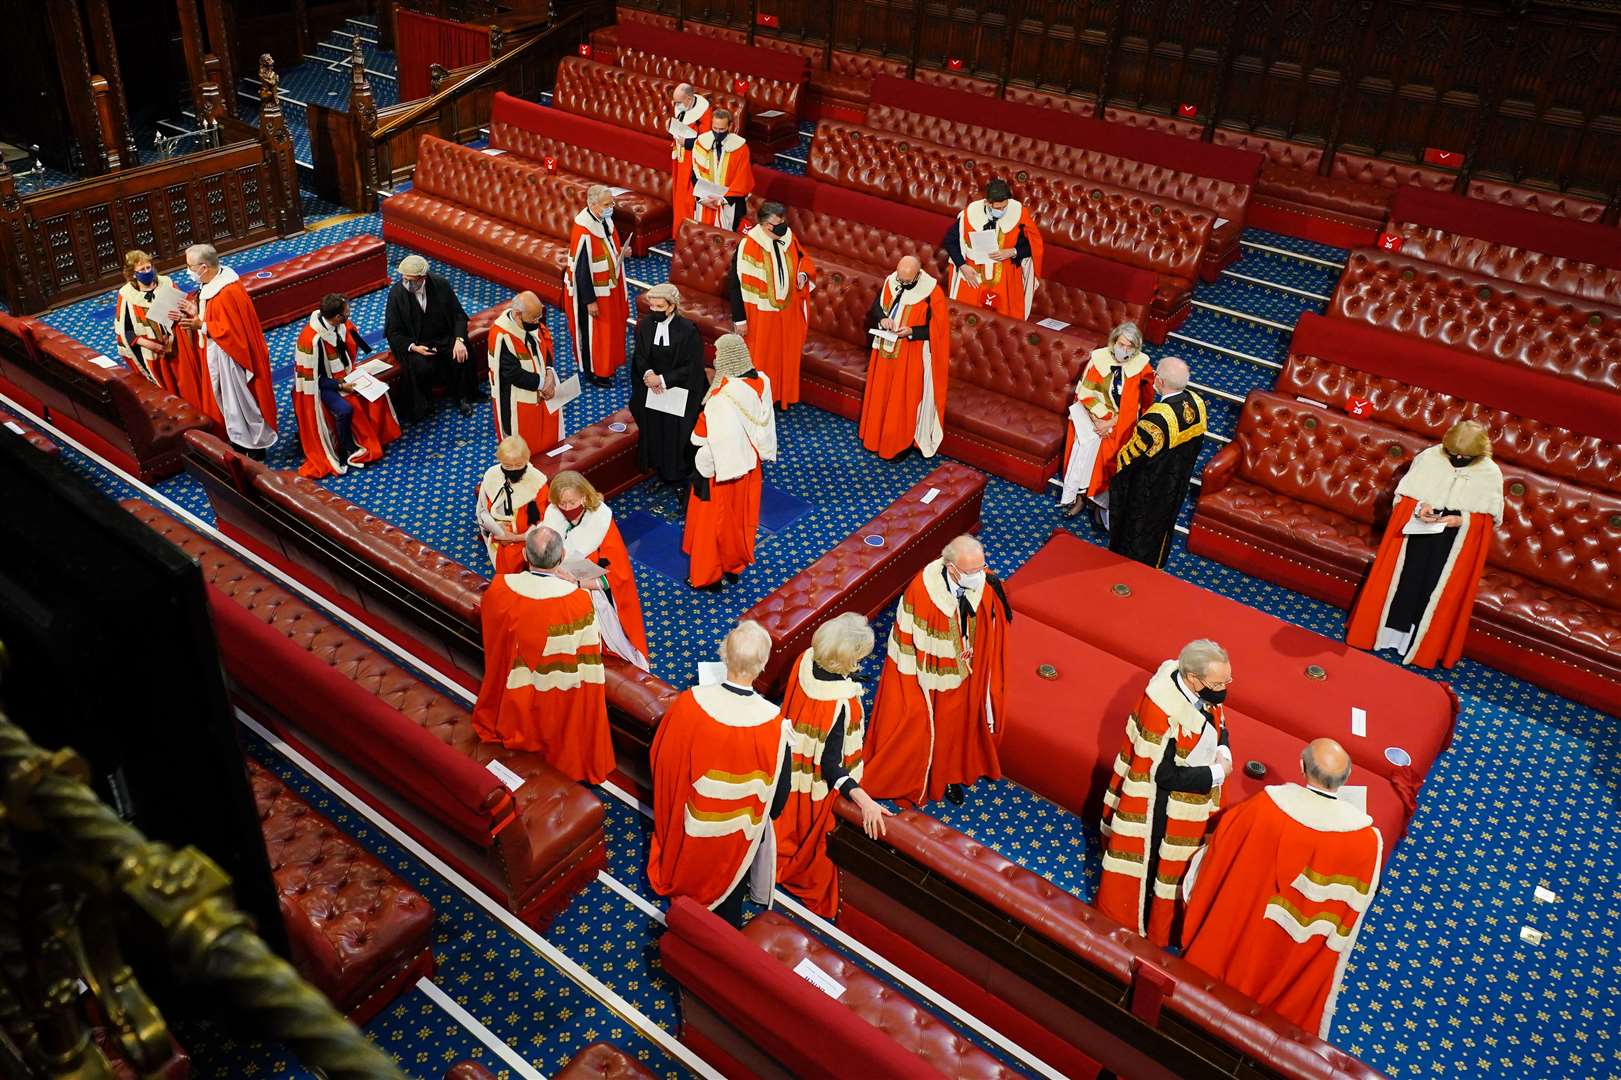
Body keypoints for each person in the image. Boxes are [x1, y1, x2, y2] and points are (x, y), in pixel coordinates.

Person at [1181, 739, 1383, 1039]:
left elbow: (1218, 852)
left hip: (1246, 932)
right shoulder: (1367, 841)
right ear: (1346, 779)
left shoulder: (1263, 808)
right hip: (1296, 952)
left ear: (1302, 768)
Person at [648, 620, 791, 927]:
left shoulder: (689, 703)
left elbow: (662, 760)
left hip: (689, 825)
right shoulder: (775, 724)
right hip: (737, 839)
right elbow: (777, 802)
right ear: (763, 665)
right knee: (728, 913)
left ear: (724, 653)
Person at [1094, 639, 1232, 947]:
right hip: (1158, 812)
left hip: (1189, 805)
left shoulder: (1203, 689)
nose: (1224, 688)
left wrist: (1223, 748)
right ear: (1194, 679)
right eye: (1219, 682)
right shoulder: (1162, 708)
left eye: (1227, 680)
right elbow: (1162, 774)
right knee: (1157, 873)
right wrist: (1217, 773)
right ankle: (1148, 927)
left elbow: (1219, 724)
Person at [862, 535, 1011, 807]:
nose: (981, 575)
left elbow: (993, 623)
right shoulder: (922, 591)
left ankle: (952, 774)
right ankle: (929, 774)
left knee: (961, 726)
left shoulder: (982, 581)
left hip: (969, 673)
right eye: (972, 571)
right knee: (931, 728)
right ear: (952, 568)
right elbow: (907, 645)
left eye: (982, 567)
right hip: (930, 679)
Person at [1345, 420, 1502, 669]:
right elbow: (1406, 496)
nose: (1458, 459)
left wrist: (1462, 519)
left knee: (1433, 591)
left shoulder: (1490, 473)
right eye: (1454, 454)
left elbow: (1488, 520)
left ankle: (1420, 646)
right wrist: (1420, 506)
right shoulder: (1430, 457)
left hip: (1452, 544)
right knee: (1405, 583)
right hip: (1416, 534)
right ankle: (1388, 637)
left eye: (1465, 456)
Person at [471, 526, 614, 784]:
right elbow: (590, 656)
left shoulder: (502, 588)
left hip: (514, 688)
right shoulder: (577, 600)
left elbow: (494, 638)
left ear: (525, 555)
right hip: (557, 697)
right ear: (561, 558)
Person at [773, 613, 892, 917]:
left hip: (789, 764)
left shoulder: (806, 659)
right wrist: (862, 798)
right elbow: (830, 765)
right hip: (813, 784)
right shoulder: (841, 703)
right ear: (846, 661)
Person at [683, 334, 776, 590]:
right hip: (750, 467)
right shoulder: (762, 382)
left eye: (718, 354)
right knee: (739, 520)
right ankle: (733, 565)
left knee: (710, 525)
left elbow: (699, 438)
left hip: (719, 472)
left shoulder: (721, 398)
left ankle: (706, 576)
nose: (714, 357)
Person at [174, 243, 277, 459]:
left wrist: (200, 325)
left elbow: (232, 331)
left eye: (190, 266)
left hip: (232, 356)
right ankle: (239, 438)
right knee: (229, 402)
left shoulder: (227, 291)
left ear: (203, 267)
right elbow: (215, 315)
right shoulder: (211, 284)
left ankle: (255, 445)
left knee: (240, 400)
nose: (188, 271)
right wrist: (197, 310)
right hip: (218, 352)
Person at [543, 470, 649, 669]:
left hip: (595, 594)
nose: (566, 508)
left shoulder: (601, 521)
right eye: (562, 504)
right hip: (562, 589)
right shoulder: (553, 515)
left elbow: (618, 574)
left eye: (572, 502)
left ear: (584, 496)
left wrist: (579, 583)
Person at [1108, 356, 1206, 568]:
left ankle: (1127, 570)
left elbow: (1129, 458)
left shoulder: (1156, 418)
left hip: (1148, 490)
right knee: (1163, 527)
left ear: (1159, 381)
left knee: (1137, 533)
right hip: (1177, 484)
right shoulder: (1197, 404)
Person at [292, 293, 401, 478]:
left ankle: (378, 437)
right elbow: (316, 379)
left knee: (378, 393)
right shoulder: (312, 341)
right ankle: (346, 447)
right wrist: (341, 386)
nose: (349, 316)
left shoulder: (342, 327)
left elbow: (354, 349)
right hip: (323, 386)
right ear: (336, 317)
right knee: (345, 410)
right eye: (346, 314)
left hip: (345, 375)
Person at [1058, 322, 1154, 525]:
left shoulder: (1142, 368)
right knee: (1082, 448)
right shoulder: (1098, 359)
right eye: (1121, 344)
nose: (1124, 349)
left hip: (1120, 423)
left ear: (1136, 348)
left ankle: (1099, 503)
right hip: (1093, 417)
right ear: (1114, 342)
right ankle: (1079, 497)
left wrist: (1110, 423)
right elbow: (1085, 391)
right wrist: (1097, 419)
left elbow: (1140, 405)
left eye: (1129, 346)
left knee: (1109, 457)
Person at [859, 255, 950, 460]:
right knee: (881, 393)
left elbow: (937, 331)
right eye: (900, 278)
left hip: (911, 356)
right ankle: (876, 437)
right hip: (884, 351)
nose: (902, 283)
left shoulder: (932, 294)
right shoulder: (893, 281)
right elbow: (876, 307)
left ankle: (899, 444)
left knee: (902, 400)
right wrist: (883, 319)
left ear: (918, 275)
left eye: (907, 281)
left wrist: (911, 331)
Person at [728, 200, 815, 410]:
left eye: (784, 220)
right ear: (766, 226)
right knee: (764, 359)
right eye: (779, 222)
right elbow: (734, 284)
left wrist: (802, 274)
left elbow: (803, 259)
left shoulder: (787, 236)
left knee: (787, 357)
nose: (783, 225)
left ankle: (781, 397)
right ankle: (761, 399)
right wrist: (739, 319)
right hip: (761, 315)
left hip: (788, 312)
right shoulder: (748, 246)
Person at [383, 254, 477, 421]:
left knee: (461, 355)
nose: (407, 284)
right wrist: (413, 347)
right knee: (420, 366)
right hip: (417, 343)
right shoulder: (396, 294)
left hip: (443, 337)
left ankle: (462, 396)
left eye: (410, 280)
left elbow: (458, 316)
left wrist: (459, 340)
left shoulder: (440, 284)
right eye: (404, 279)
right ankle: (425, 404)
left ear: (422, 278)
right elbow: (393, 331)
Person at [628, 283, 705, 487]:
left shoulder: (688, 331)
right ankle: (661, 472)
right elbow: (640, 356)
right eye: (652, 306)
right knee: (655, 431)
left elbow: (692, 367)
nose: (654, 311)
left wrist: (662, 380)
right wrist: (649, 374)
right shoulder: (645, 325)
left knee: (676, 435)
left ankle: (679, 477)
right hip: (654, 391)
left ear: (671, 306)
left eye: (659, 307)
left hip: (680, 392)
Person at [942, 178, 1044, 319]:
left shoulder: (1019, 214)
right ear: (987, 203)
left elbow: (1033, 245)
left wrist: (1013, 251)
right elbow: (950, 241)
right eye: (998, 208)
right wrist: (962, 266)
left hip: (1006, 279)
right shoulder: (969, 215)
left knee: (1003, 323)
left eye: (1005, 207)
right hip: (973, 277)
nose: (1002, 211)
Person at [565, 186, 633, 386]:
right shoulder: (583, 229)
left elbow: (607, 248)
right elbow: (581, 271)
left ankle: (607, 365)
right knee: (593, 336)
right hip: (592, 293)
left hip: (609, 288)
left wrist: (621, 252)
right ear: (593, 205)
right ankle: (592, 373)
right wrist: (590, 301)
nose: (611, 207)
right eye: (606, 204)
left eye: (611, 203)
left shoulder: (605, 221)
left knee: (609, 331)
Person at [487, 291, 560, 453]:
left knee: (549, 441)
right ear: (518, 315)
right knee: (524, 449)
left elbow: (545, 347)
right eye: (534, 318)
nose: (537, 322)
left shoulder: (532, 320)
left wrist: (549, 371)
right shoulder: (501, 335)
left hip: (542, 391)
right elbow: (512, 373)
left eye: (538, 317)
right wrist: (543, 384)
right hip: (517, 400)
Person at [475, 435, 549, 575]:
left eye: (519, 465)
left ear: (526, 460)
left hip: (528, 541)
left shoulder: (537, 483)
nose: (513, 470)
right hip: (499, 537)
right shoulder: (492, 476)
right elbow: (482, 508)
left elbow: (544, 524)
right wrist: (495, 526)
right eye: (508, 466)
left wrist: (514, 538)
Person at [113, 250, 180, 393]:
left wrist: (172, 336)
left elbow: (182, 310)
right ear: (133, 274)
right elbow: (125, 332)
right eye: (142, 270)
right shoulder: (127, 296)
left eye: (148, 268)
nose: (147, 271)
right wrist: (151, 345)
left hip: (175, 345)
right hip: (150, 351)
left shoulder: (167, 284)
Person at [688, 107, 753, 232]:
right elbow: (695, 172)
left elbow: (743, 179)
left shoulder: (741, 148)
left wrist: (722, 200)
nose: (718, 132)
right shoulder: (701, 143)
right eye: (715, 129)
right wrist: (701, 198)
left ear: (730, 127)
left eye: (722, 129)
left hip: (729, 203)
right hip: (705, 201)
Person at [668, 82, 711, 239]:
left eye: (679, 101)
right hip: (680, 158)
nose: (676, 105)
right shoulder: (682, 107)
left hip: (694, 161)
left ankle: (688, 236)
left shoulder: (704, 112)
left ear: (688, 98)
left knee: (688, 200)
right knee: (678, 197)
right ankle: (678, 233)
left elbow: (706, 139)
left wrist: (686, 143)